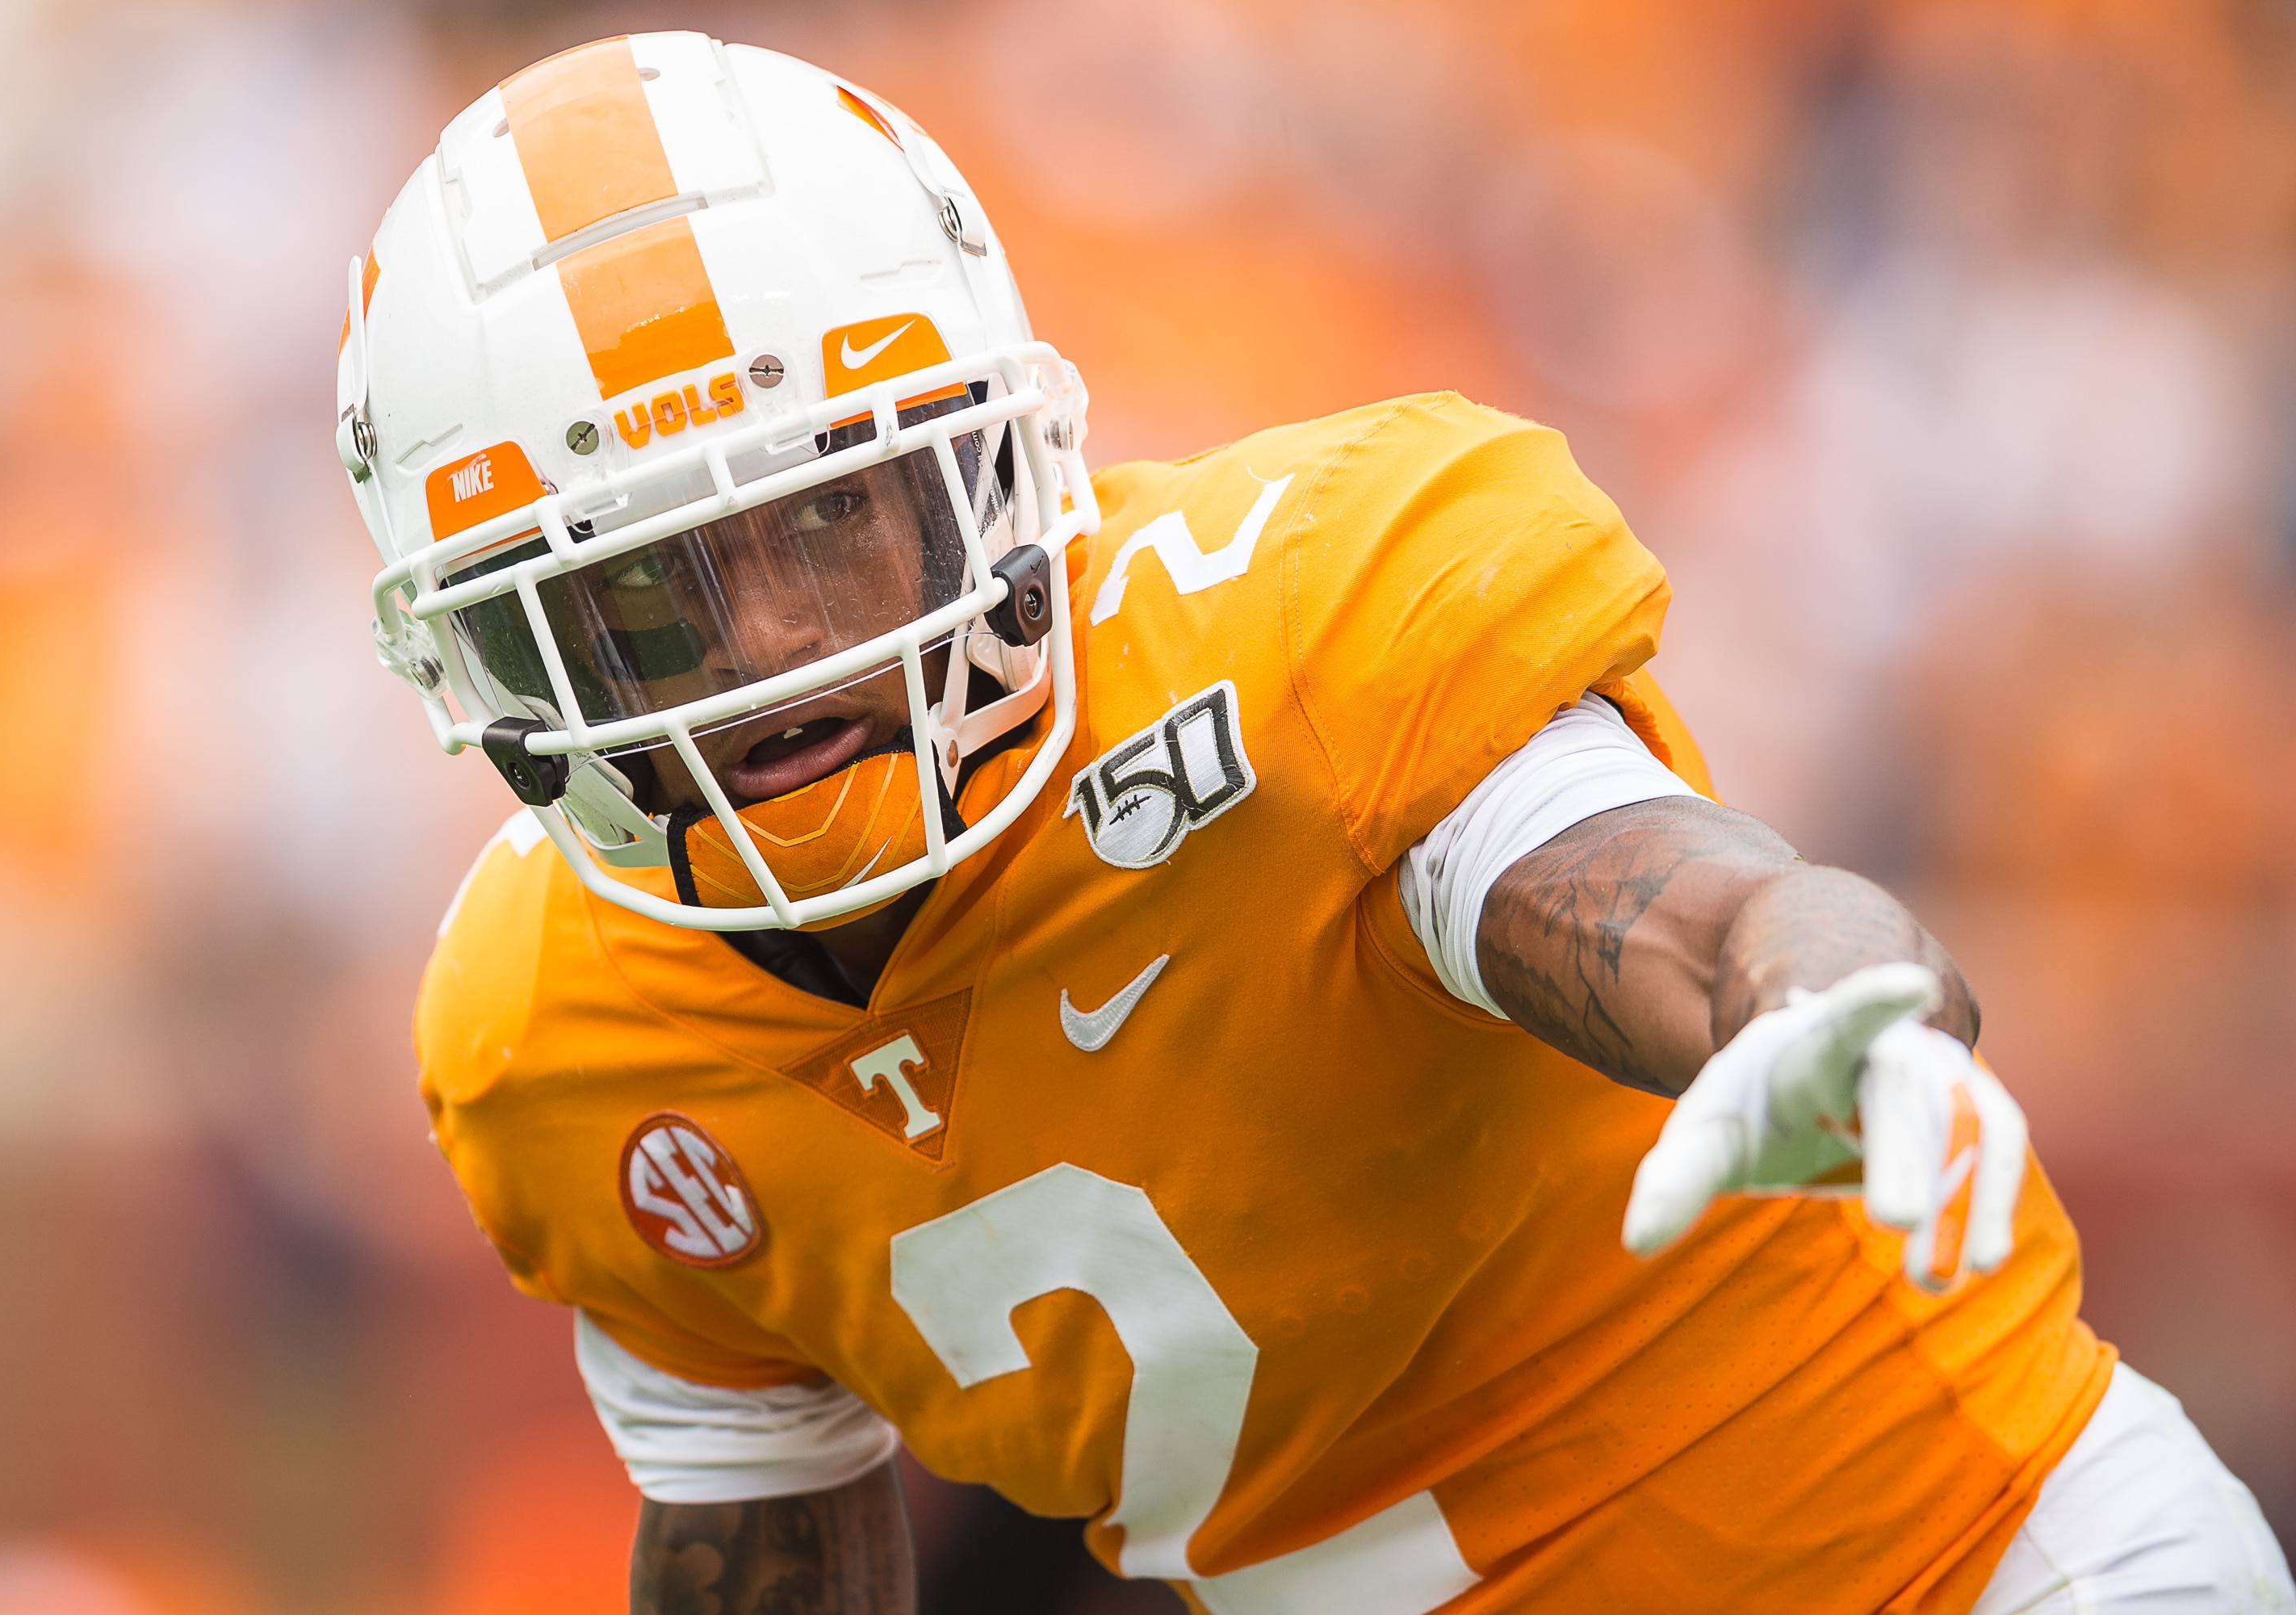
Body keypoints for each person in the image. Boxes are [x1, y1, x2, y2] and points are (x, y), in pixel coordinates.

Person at [337, 32, 2293, 1615]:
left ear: (985, 460)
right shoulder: (558, 1038)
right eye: (650, 592)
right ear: (494, 655)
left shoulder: (1287, 636)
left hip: (1988, 1566)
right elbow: (760, 1539)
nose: (775, 645)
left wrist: (1816, 998)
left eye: (835, 512)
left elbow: (1669, 906)